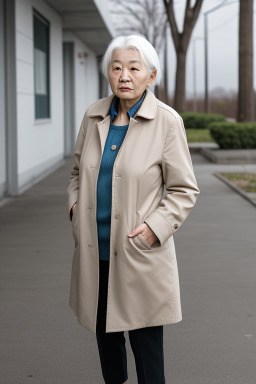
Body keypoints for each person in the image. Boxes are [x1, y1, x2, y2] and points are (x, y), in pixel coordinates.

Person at [67, 34, 200, 384]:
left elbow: (184, 189)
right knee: (107, 347)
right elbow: (77, 173)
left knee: (147, 353)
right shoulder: (93, 116)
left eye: (133, 67)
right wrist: (75, 210)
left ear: (150, 76)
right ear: (108, 73)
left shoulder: (167, 122)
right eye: (116, 67)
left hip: (138, 252)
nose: (124, 75)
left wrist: (155, 227)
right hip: (96, 254)